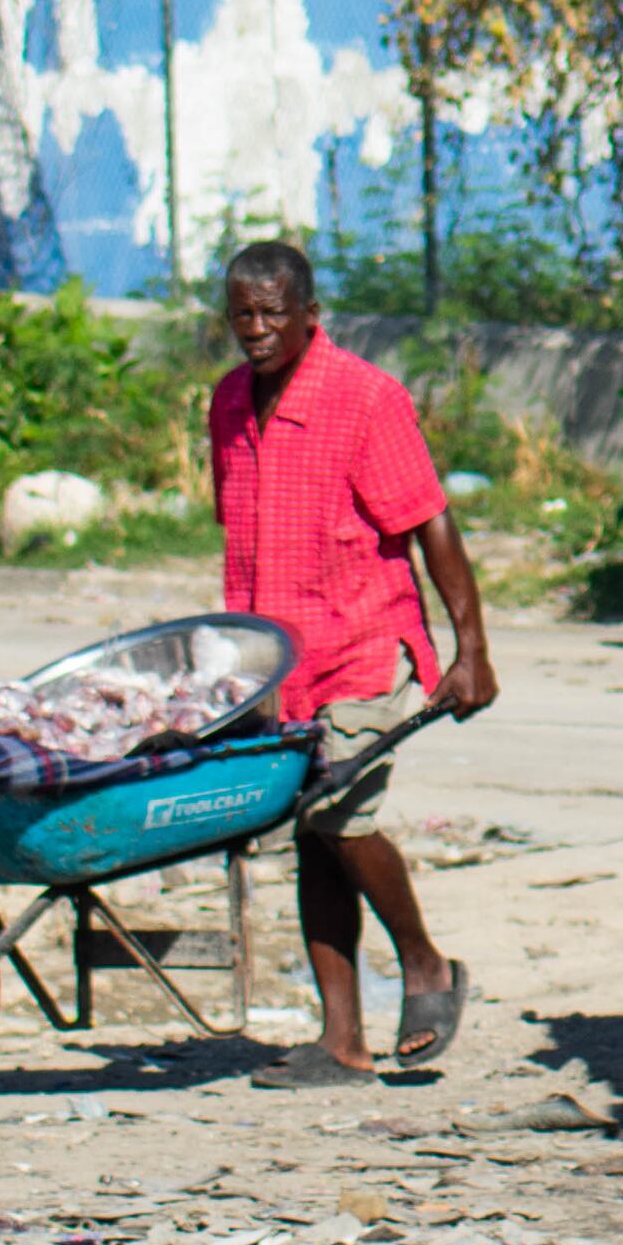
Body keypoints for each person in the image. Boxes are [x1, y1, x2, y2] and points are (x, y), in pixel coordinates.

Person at [207, 237, 500, 1085]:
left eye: (271, 314)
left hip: (359, 644)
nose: (254, 331)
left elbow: (430, 522)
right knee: (314, 834)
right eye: (241, 316)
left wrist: (469, 648)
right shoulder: (228, 403)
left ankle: (426, 964)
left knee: (339, 812)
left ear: (310, 316)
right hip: (278, 662)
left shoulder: (365, 399)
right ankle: (341, 1041)